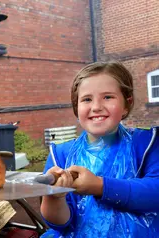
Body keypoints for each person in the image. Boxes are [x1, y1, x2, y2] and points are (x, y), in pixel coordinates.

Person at [40, 61, 159, 237]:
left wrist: (99, 186)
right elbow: (60, 223)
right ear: (76, 106)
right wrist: (54, 197)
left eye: (108, 97)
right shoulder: (61, 155)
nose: (96, 107)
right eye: (87, 99)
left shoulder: (146, 144)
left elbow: (155, 192)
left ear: (127, 104)